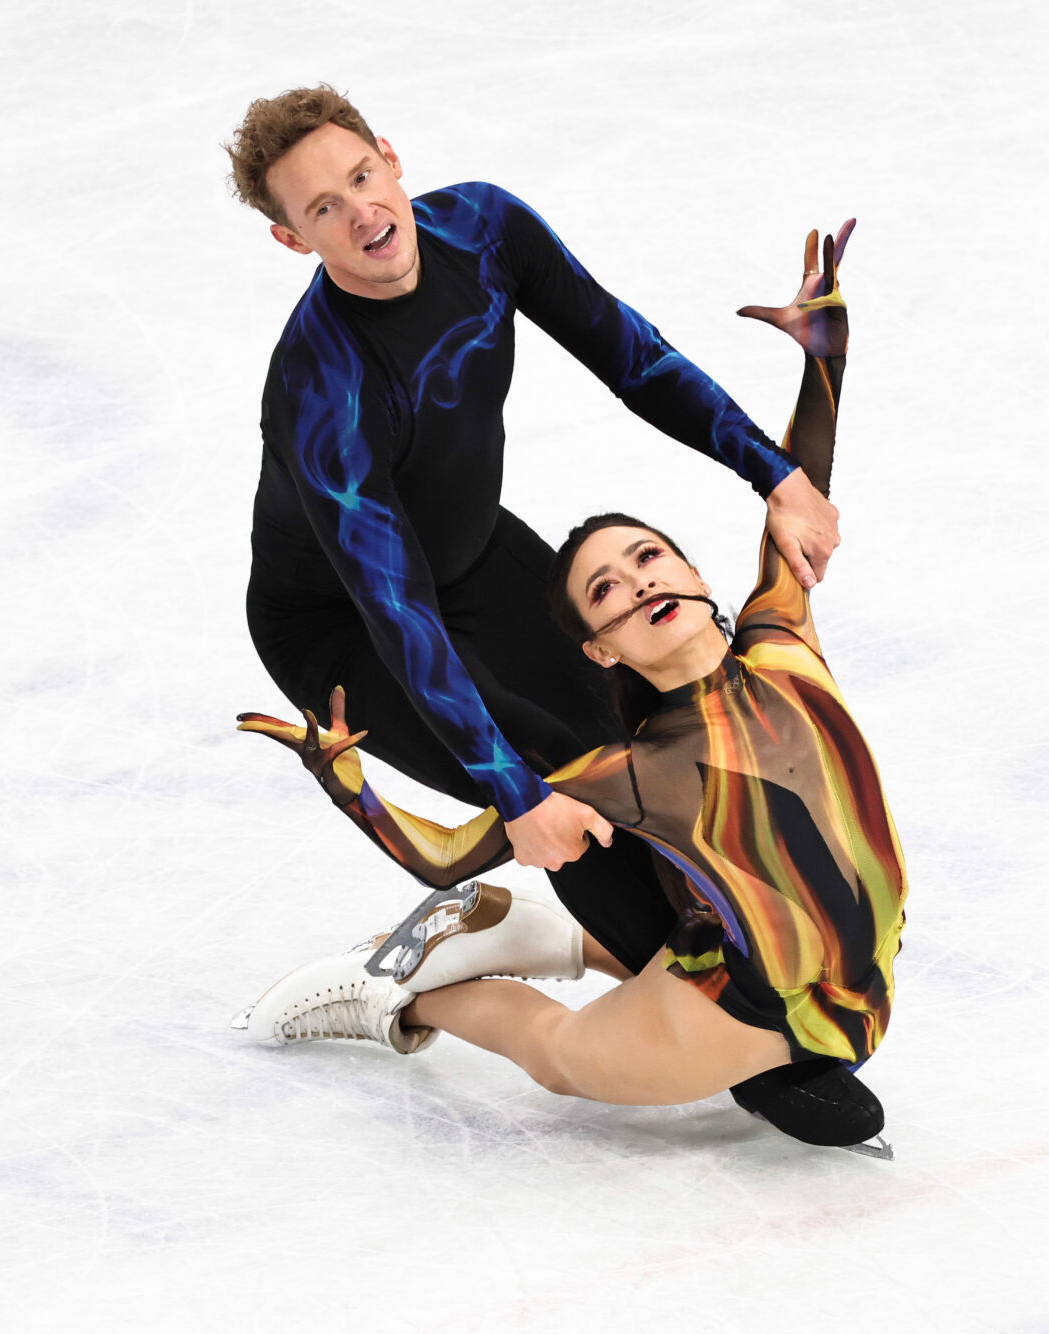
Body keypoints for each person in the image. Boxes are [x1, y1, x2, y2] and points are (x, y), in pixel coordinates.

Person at [223, 86, 872, 1137]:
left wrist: (774, 476)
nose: (359, 215)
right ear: (287, 236)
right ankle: (405, 987)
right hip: (346, 625)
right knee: (563, 777)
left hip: (477, 549)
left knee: (638, 741)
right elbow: (394, 605)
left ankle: (699, 974)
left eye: (359, 178)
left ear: (390, 156)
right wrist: (513, 790)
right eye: (322, 211)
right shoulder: (319, 381)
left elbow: (631, 354)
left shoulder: (484, 226)